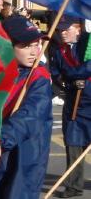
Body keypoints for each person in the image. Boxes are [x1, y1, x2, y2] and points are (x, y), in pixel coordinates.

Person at [0, 16, 53, 199]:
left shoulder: (39, 77)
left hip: (24, 156)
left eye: (36, 44)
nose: (34, 52)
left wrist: (1, 141)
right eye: (25, 46)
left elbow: (30, 116)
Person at [49, 16, 91, 198]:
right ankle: (74, 186)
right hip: (75, 105)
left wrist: (77, 76)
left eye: (67, 29)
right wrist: (67, 85)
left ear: (78, 29)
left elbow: (86, 68)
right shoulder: (59, 49)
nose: (63, 33)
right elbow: (56, 73)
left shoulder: (88, 44)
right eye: (60, 29)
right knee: (73, 144)